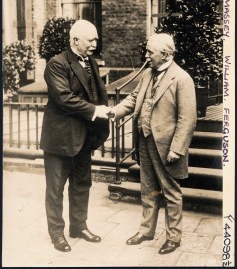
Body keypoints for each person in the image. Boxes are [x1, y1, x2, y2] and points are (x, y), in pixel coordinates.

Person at [110, 33, 197, 254]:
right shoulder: (148, 73)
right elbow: (133, 98)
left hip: (168, 147)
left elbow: (187, 118)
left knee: (171, 192)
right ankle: (146, 230)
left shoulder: (182, 78)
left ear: (166, 54)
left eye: (150, 52)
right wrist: (115, 112)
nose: (146, 56)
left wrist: (177, 149)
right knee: (147, 189)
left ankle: (173, 238)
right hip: (146, 141)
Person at [40, 20, 111, 252]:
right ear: (74, 41)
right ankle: (57, 233)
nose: (95, 43)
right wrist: (94, 111)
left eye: (96, 39)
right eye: (91, 39)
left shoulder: (91, 62)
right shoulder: (56, 64)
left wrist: (103, 114)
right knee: (56, 189)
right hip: (59, 139)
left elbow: (97, 93)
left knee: (82, 184)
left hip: (83, 138)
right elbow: (63, 97)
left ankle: (78, 226)